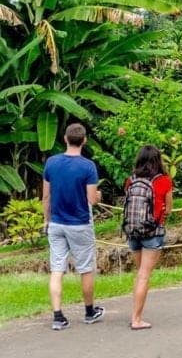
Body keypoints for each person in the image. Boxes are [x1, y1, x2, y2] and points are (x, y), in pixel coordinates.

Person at [41, 123, 105, 330]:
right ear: (84, 141)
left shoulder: (51, 162)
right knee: (85, 268)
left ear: (65, 139)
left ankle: (58, 316)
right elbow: (92, 200)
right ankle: (89, 311)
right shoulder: (88, 166)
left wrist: (46, 219)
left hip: (56, 222)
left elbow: (46, 196)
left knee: (57, 269)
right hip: (79, 223)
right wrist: (98, 196)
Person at [123, 145, 173, 330]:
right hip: (153, 232)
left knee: (140, 273)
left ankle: (136, 312)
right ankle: (136, 319)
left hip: (133, 231)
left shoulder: (131, 180)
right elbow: (168, 208)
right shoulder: (164, 181)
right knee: (144, 275)